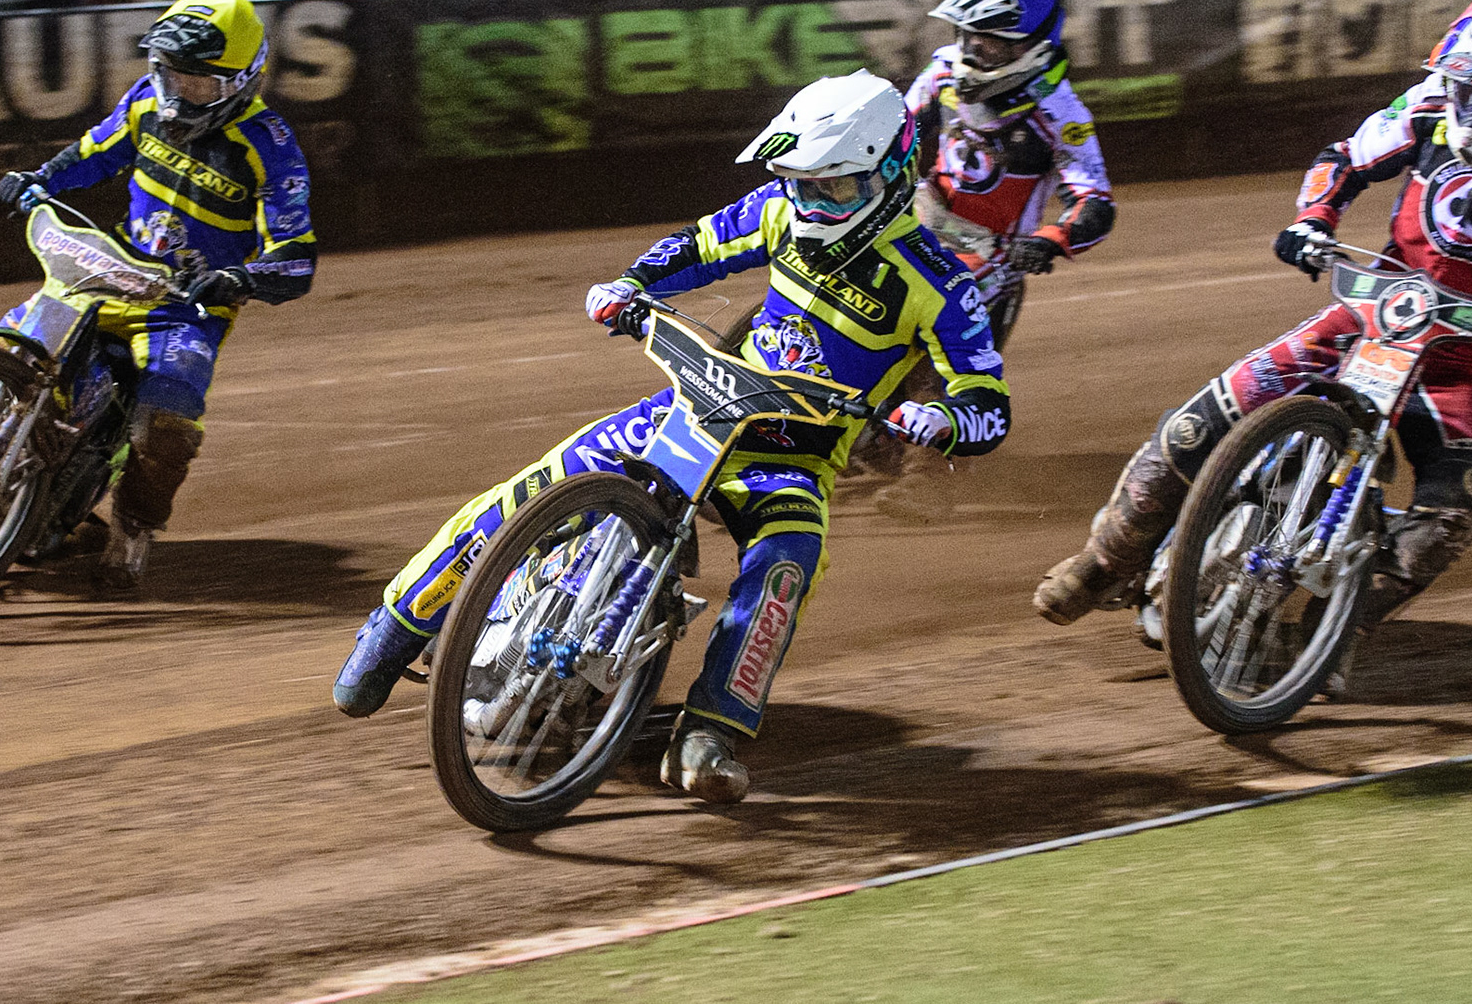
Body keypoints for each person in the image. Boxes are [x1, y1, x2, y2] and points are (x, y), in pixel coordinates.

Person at [331, 70, 1012, 803]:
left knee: (784, 567)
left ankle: (710, 733)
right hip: (695, 407)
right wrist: (630, 285)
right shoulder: (779, 211)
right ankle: (393, 630)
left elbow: (989, 402)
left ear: (888, 172)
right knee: (531, 488)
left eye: (833, 189)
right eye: (798, 184)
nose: (812, 204)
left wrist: (942, 419)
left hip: (792, 459)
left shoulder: (939, 280)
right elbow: (697, 245)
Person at [1034, 0, 1472, 682]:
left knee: (1458, 510)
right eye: (1464, 92)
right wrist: (1314, 219)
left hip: (1453, 360)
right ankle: (1101, 564)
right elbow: (1344, 158)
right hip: (1364, 314)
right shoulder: (1428, 107)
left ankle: (1336, 631)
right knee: (1194, 428)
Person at [0, 0, 317, 589]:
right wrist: (38, 180)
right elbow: (93, 154)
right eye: (170, 73)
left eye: (200, 80)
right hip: (105, 270)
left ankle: (132, 533)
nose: (179, 91)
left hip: (185, 307)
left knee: (165, 424)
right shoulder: (145, 103)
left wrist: (240, 278)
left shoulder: (271, 145)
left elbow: (296, 258)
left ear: (242, 81)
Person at [874, 0, 1111, 514]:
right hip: (920, 215)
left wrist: (1051, 240)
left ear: (1032, 44)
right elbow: (897, 131)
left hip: (991, 256)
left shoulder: (1061, 114)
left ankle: (928, 482)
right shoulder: (941, 76)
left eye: (993, 41)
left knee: (936, 353)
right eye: (969, 35)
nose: (976, 50)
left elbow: (1095, 201)